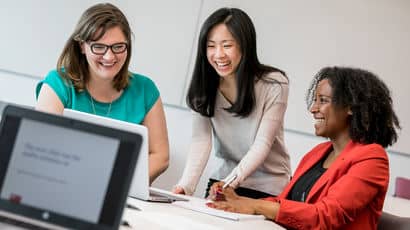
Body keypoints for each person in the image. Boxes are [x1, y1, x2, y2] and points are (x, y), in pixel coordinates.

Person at [207, 66, 401, 230]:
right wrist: (236, 200)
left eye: (323, 100)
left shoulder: (372, 159)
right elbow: (285, 202)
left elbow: (325, 215)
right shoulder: (317, 154)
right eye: (315, 100)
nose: (313, 108)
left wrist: (255, 206)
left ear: (351, 107)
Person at [35, 3, 169, 184]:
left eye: (118, 46)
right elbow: (42, 148)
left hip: (121, 191)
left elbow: (160, 156)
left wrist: (115, 185)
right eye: (99, 47)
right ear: (82, 46)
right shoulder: (58, 83)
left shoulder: (145, 89)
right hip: (61, 186)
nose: (109, 57)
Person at [173, 7, 291, 198]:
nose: (218, 54)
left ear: (245, 45)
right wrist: (185, 186)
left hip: (267, 186)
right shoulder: (203, 86)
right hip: (223, 177)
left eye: (227, 45)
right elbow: (201, 141)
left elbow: (262, 143)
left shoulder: (274, 84)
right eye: (211, 46)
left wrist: (228, 184)